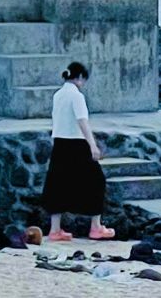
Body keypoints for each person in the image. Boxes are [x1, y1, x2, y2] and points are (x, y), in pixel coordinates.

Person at [42, 61, 113, 242]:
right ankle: (96, 227)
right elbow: (82, 121)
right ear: (80, 77)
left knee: (57, 183)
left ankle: (55, 229)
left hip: (59, 143)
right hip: (76, 144)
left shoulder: (58, 95)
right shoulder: (77, 96)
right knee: (96, 181)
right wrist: (92, 145)